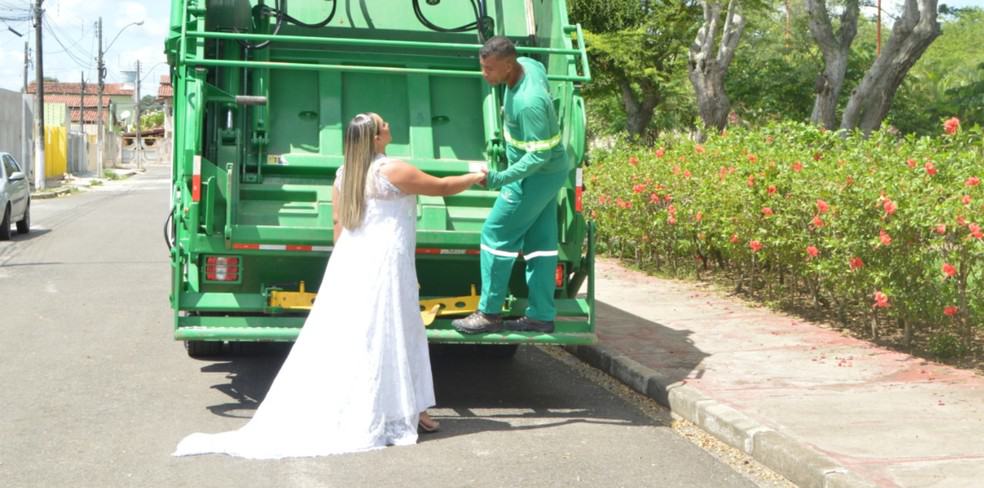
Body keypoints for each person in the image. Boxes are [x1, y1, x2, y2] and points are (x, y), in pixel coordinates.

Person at [173, 113, 486, 459]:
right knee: (397, 330)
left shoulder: (344, 174)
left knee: (365, 336)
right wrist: (476, 176)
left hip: (352, 261)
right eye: (384, 125)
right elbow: (442, 187)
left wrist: (342, 269)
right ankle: (408, 410)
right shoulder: (391, 170)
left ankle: (410, 409)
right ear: (376, 139)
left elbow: (339, 223)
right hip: (387, 261)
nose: (389, 126)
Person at [452, 36, 568, 335]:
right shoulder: (528, 65)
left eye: (489, 69)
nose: (485, 74)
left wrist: (500, 178)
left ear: (508, 65)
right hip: (549, 175)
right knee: (540, 245)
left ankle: (489, 314)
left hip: (533, 178)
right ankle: (541, 316)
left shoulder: (529, 103)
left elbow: (539, 155)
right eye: (483, 67)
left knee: (495, 233)